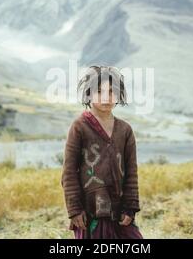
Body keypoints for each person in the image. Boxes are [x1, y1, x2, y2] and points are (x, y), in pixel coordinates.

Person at [61, 65, 143, 239]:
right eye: (99, 91)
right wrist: (75, 209)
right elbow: (68, 172)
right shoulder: (79, 127)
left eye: (111, 91)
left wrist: (130, 207)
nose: (106, 97)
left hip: (120, 211)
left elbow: (131, 173)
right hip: (90, 211)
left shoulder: (125, 130)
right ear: (88, 94)